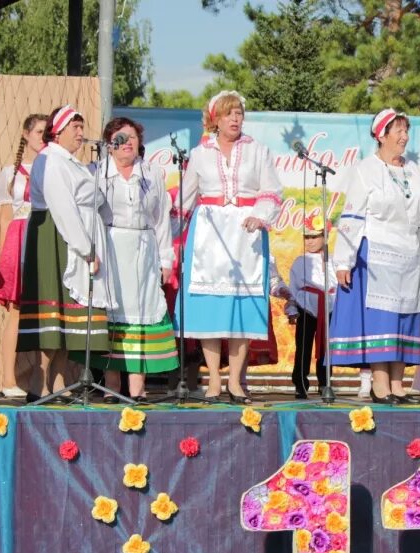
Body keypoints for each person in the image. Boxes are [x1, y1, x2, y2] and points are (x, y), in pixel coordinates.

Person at [176, 91, 282, 404]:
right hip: (209, 233)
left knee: (242, 309)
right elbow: (185, 197)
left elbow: (272, 191)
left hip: (245, 234)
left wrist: (259, 216)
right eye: (228, 114)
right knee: (210, 309)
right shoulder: (200, 153)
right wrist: (165, 235)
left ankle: (235, 381)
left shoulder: (257, 151)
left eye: (238, 113)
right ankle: (212, 379)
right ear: (215, 120)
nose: (235, 119)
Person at [329, 109, 420, 404]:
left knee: (404, 318)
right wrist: (343, 261)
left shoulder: (412, 170)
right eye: (398, 131)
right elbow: (352, 216)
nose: (404, 136)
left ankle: (399, 386)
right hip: (377, 252)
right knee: (383, 320)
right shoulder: (366, 169)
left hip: (409, 254)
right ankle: (381, 385)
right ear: (381, 136)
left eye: (406, 130)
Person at [17, 105, 115, 399]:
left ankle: (58, 382)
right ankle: (39, 381)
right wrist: (86, 249)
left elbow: (95, 197)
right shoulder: (50, 160)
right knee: (53, 315)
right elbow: (62, 207)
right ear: (57, 131)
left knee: (66, 318)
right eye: (76, 128)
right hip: (55, 238)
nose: (81, 134)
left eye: (82, 128)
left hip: (71, 236)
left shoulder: (72, 162)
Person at [91, 116, 179, 401]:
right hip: (111, 248)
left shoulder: (152, 174)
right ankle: (112, 386)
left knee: (141, 313)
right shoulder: (97, 173)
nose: (127, 143)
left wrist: (166, 260)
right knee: (113, 316)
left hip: (143, 249)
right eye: (120, 138)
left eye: (132, 137)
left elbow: (161, 220)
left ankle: (137, 389)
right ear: (109, 144)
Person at [0, 113, 48, 399]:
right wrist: (3, 258)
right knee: (17, 313)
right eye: (38, 132)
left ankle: (43, 381)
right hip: (20, 237)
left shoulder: (53, 168)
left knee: (47, 311)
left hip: (47, 236)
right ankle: (7, 378)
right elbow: (4, 216)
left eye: (47, 133)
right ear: (26, 134)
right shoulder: (11, 173)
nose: (42, 137)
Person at [288, 217, 335, 399]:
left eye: (314, 237)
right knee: (303, 347)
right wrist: (292, 308)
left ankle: (325, 383)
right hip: (306, 308)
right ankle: (300, 383)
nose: (310, 241)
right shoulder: (300, 261)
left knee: (326, 348)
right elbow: (293, 287)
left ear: (325, 237)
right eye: (307, 237)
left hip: (329, 308)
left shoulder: (333, 260)